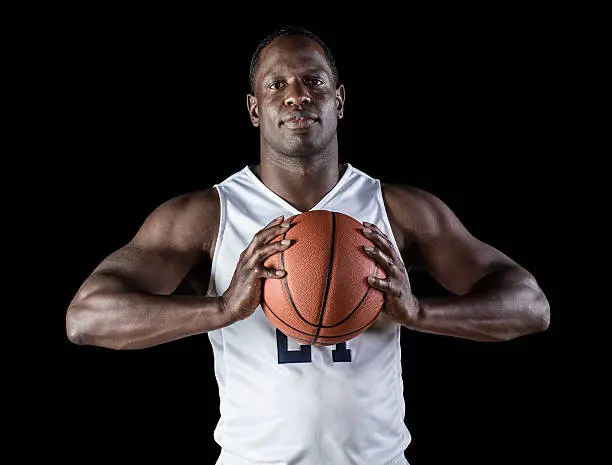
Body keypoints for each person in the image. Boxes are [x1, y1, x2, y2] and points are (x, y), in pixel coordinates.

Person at [65, 25, 550, 465]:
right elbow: (86, 318)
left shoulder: (400, 211)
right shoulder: (206, 216)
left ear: (339, 100)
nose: (297, 96)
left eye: (314, 82)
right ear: (255, 109)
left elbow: (531, 306)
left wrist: (421, 312)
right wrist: (223, 308)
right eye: (277, 84)